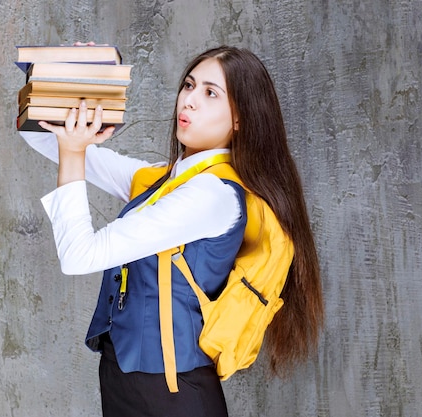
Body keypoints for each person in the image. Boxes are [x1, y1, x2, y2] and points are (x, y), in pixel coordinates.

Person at [20, 45, 324, 417]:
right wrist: (59, 74)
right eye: (189, 86)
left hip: (174, 394)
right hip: (122, 378)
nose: (189, 101)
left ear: (241, 118)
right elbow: (41, 136)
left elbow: (78, 255)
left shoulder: (212, 196)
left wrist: (73, 152)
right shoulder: (163, 179)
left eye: (211, 93)